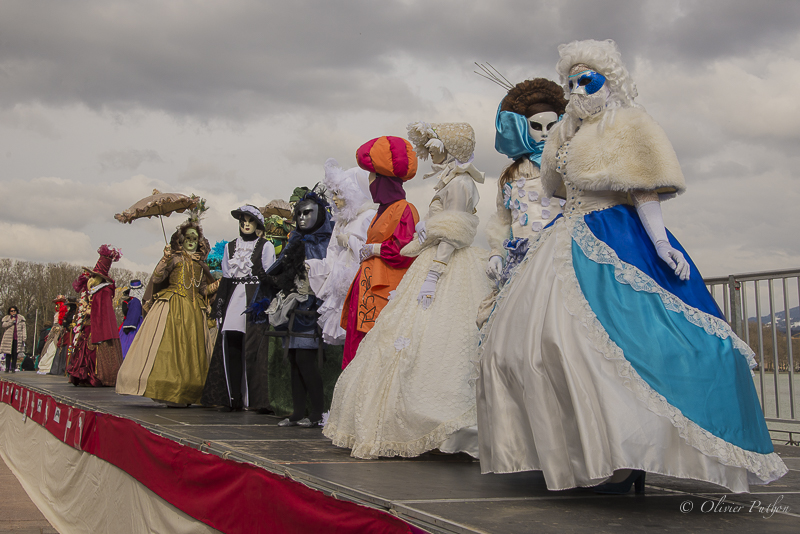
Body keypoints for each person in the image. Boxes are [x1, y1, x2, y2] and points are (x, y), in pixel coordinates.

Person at [475, 39, 787, 494]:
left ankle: (633, 451)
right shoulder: (564, 134)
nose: (578, 88)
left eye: (588, 78)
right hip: (565, 238)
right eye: (571, 81)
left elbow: (645, 189)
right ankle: (583, 452)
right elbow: (557, 190)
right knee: (536, 346)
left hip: (619, 237)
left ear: (609, 81)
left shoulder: (629, 125)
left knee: (646, 344)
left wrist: (660, 244)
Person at [324, 122, 492, 459]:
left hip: (446, 267)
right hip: (422, 264)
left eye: (435, 147)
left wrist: (434, 271)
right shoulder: (447, 182)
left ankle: (447, 425)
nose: (430, 154)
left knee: (442, 345)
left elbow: (453, 232)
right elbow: (422, 236)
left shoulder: (459, 184)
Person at [478, 78, 568, 327]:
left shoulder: (568, 163)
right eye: (537, 126)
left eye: (551, 125)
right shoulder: (510, 173)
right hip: (522, 257)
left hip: (560, 256)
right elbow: (503, 218)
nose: (545, 133)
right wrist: (496, 252)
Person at [250, 188, 333, 427]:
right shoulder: (294, 242)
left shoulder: (325, 245)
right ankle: (298, 412)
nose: (303, 218)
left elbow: (329, 279)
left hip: (312, 311)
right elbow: (282, 272)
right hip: (293, 310)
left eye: (308, 213)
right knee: (294, 361)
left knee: (307, 361)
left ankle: (317, 414)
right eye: (299, 214)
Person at [339, 136, 420, 369]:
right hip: (367, 287)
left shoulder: (404, 209)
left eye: (373, 176)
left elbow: (405, 250)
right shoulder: (381, 211)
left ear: (384, 180)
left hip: (383, 291)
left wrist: (374, 249)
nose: (370, 182)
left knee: (375, 351)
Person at [116, 220, 212, 405]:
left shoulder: (201, 265)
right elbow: (157, 278)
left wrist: (222, 283)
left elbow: (204, 290)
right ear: (181, 241)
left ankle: (190, 392)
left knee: (193, 351)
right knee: (170, 349)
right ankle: (168, 390)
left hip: (194, 313)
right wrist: (164, 259)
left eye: (195, 238)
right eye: (188, 238)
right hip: (173, 308)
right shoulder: (174, 259)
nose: (191, 241)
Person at [202, 205, 276, 412]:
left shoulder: (266, 246)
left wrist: (266, 303)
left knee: (253, 348)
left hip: (255, 298)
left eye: (250, 220)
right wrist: (219, 307)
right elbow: (226, 279)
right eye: (243, 220)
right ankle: (233, 397)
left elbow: (270, 277)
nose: (246, 224)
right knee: (232, 344)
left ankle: (255, 399)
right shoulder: (230, 247)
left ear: (257, 224)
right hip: (234, 297)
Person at [306, 159, 376, 345]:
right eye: (333, 194)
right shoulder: (340, 221)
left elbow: (371, 251)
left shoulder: (368, 217)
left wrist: (350, 241)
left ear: (352, 193)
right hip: (341, 288)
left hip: (361, 284)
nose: (334, 199)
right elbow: (332, 255)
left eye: (339, 193)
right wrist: (313, 266)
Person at [67, 245, 124, 386]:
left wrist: (88, 311)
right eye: (91, 275)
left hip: (98, 328)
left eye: (94, 276)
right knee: (83, 350)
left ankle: (95, 376)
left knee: (93, 351)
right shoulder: (93, 290)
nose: (91, 278)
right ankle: (82, 376)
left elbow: (102, 312)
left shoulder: (104, 291)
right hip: (88, 326)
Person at [119, 280, 144, 358]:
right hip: (133, 324)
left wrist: (129, 325)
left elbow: (134, 314)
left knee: (129, 347)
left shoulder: (135, 301)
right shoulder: (133, 301)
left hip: (133, 325)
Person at [1, 306, 25, 373]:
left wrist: (24, 337)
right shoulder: (7, 318)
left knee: (15, 353)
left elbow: (23, 328)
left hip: (17, 338)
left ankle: (13, 368)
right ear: (9, 312)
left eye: (14, 310)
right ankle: (7, 367)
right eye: (11, 311)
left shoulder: (21, 319)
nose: (13, 312)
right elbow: (4, 325)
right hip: (8, 339)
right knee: (8, 353)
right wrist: (11, 321)